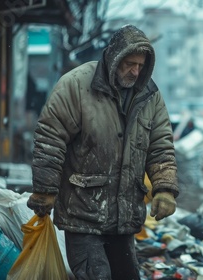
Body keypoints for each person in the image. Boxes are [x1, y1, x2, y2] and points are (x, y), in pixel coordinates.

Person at [26, 25, 179, 280]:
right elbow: (50, 138)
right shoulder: (76, 85)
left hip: (124, 215)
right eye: (129, 63)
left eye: (140, 65)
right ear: (114, 57)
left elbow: (160, 144)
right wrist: (45, 189)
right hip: (83, 212)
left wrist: (165, 189)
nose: (135, 71)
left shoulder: (149, 95)